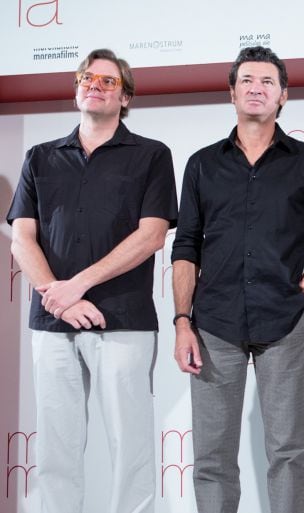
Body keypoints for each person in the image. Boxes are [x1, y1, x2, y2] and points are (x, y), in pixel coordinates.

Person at [171, 46, 304, 513]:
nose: (256, 88)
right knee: (211, 455)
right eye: (247, 80)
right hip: (213, 325)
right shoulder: (202, 164)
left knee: (287, 452)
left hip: (285, 323)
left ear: (283, 95)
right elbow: (185, 246)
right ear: (231, 93)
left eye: (267, 82)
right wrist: (182, 321)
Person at [6, 48, 177, 513]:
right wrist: (59, 300)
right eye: (88, 78)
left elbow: (152, 235)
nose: (95, 86)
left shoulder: (152, 156)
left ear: (126, 98)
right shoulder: (40, 157)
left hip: (123, 318)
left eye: (108, 81)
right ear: (76, 87)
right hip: (52, 322)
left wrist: (75, 285)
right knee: (56, 449)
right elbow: (21, 238)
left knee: (131, 444)